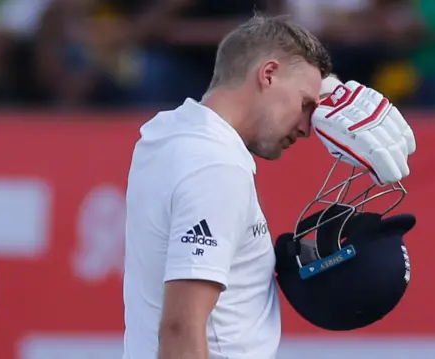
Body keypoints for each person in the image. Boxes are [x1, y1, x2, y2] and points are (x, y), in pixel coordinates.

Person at [122, 14, 332, 359]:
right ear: (268, 74)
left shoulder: (167, 134)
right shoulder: (216, 165)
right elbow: (180, 328)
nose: (307, 127)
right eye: (306, 104)